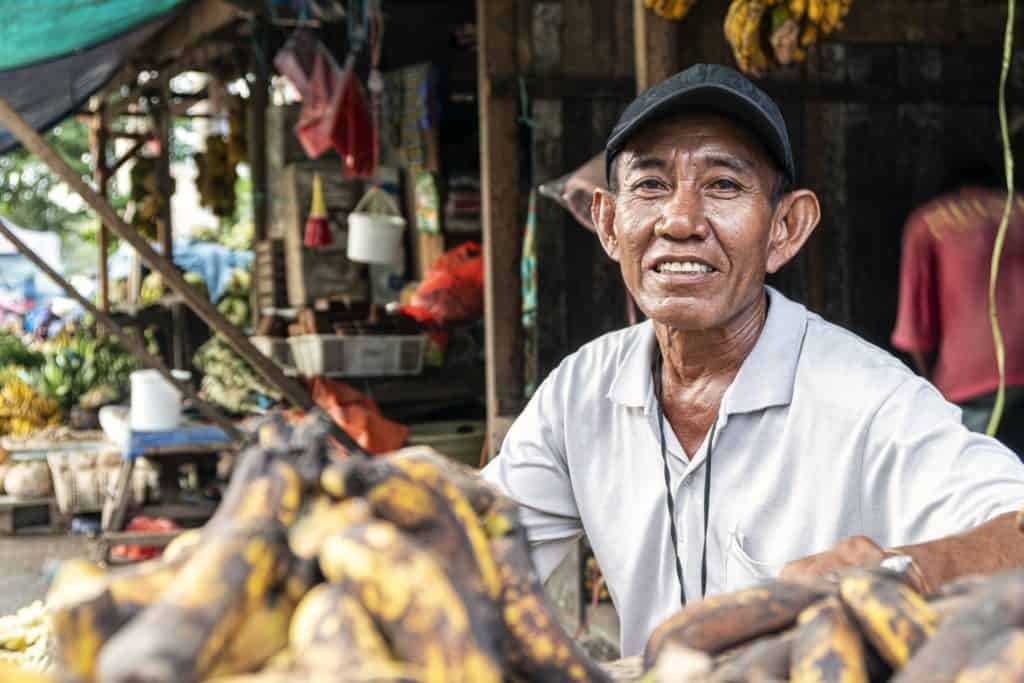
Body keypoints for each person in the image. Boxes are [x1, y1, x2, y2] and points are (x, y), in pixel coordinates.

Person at [481, 64, 1024, 657]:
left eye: (723, 186)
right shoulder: (579, 394)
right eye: (651, 186)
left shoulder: (868, 400)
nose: (681, 221)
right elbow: (474, 555)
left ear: (785, 230)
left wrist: (905, 571)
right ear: (610, 224)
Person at [892, 165, 1024, 457]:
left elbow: (914, 334)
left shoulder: (927, 222)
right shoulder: (1019, 209)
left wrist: (934, 392)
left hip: (971, 388)